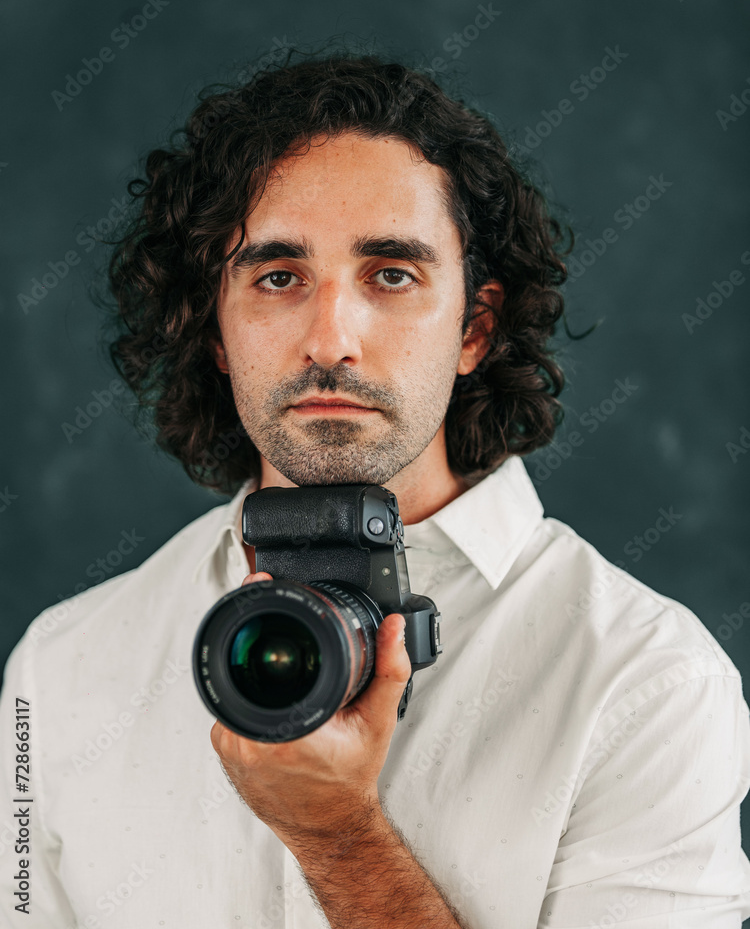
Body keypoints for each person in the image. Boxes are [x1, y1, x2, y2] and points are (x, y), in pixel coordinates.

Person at [1, 49, 748, 929]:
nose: (332, 339)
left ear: (474, 326)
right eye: (278, 277)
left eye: (390, 275)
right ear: (214, 328)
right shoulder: (59, 673)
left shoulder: (645, 681)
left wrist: (339, 837)